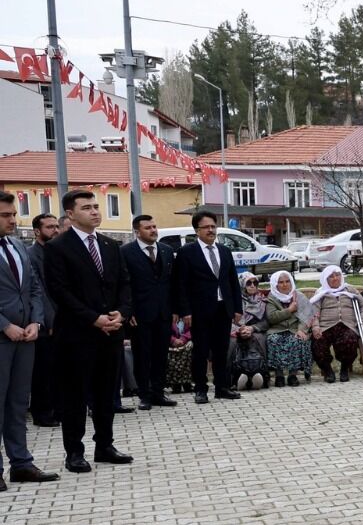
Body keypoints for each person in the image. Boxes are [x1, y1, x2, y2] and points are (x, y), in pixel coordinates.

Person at [42, 188, 133, 473]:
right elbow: (60, 291)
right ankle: (74, 451)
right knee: (76, 396)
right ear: (71, 213)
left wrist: (123, 312)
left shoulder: (110, 245)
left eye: (96, 206)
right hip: (77, 335)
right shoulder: (58, 247)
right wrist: (93, 318)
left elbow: (124, 285)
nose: (94, 211)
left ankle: (104, 445)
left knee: (106, 393)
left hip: (111, 332)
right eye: (87, 207)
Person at [0, 191, 57, 488]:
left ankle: (20, 463)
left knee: (18, 402)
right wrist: (5, 325)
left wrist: (37, 320)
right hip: (3, 337)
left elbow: (34, 287)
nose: (12, 219)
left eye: (13, 214)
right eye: (5, 215)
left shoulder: (17, 247)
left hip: (26, 337)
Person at [172, 210, 244, 403]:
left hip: (223, 309)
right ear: (197, 230)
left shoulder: (224, 251)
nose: (211, 230)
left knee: (222, 350)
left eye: (213, 226)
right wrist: (185, 310)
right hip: (199, 311)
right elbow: (181, 284)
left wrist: (237, 308)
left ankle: (222, 387)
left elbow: (232, 281)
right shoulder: (187, 252)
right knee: (201, 351)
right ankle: (201, 389)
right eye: (206, 227)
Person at [120, 214, 177, 410]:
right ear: (137, 231)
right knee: (142, 355)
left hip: (163, 312)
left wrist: (175, 309)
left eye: (154, 226)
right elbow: (123, 285)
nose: (153, 230)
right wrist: (128, 312)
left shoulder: (167, 250)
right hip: (139, 314)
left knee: (161, 354)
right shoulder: (126, 252)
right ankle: (144, 394)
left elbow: (172, 283)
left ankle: (159, 392)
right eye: (148, 228)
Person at [307, 266, 363, 382]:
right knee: (318, 342)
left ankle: (344, 368)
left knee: (349, 339)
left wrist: (362, 321)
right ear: (326, 279)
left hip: (347, 325)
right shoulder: (321, 293)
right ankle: (328, 370)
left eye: (338, 275)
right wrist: (315, 327)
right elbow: (314, 311)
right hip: (326, 326)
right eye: (331, 276)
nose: (335, 278)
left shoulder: (349, 290)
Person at [27, 213, 60, 427]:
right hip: (46, 324)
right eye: (50, 227)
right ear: (37, 231)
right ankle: (42, 412)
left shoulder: (58, 252)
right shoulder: (31, 254)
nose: (55, 231)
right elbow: (39, 292)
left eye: (57, 226)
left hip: (65, 319)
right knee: (43, 371)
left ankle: (58, 409)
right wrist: (49, 322)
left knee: (59, 370)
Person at [264, 270, 313, 387]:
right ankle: (279, 375)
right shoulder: (271, 298)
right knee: (273, 340)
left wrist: (301, 330)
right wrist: (289, 310)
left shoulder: (299, 297)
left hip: (295, 329)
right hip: (276, 330)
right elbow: (271, 317)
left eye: (287, 281)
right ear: (275, 284)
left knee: (297, 340)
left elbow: (306, 316)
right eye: (281, 282)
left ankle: (293, 375)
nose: (285, 285)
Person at [231, 274, 271, 390]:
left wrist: (252, 328)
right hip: (236, 330)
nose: (253, 286)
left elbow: (266, 322)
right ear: (242, 285)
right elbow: (227, 319)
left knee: (260, 340)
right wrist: (239, 330)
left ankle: (261, 377)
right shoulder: (234, 300)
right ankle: (233, 380)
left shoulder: (263, 300)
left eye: (255, 283)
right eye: (249, 283)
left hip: (255, 330)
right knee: (232, 343)